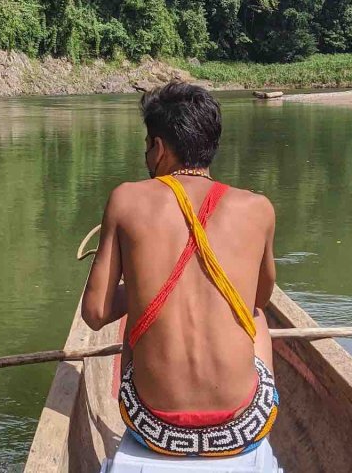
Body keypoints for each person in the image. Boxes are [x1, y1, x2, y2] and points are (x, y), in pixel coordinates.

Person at [81, 82, 279, 459]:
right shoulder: (258, 207)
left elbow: (95, 314)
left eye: (146, 145)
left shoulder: (126, 199)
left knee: (134, 327)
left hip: (151, 423)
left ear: (158, 147)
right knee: (256, 316)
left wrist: (139, 289)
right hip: (241, 424)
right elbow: (260, 299)